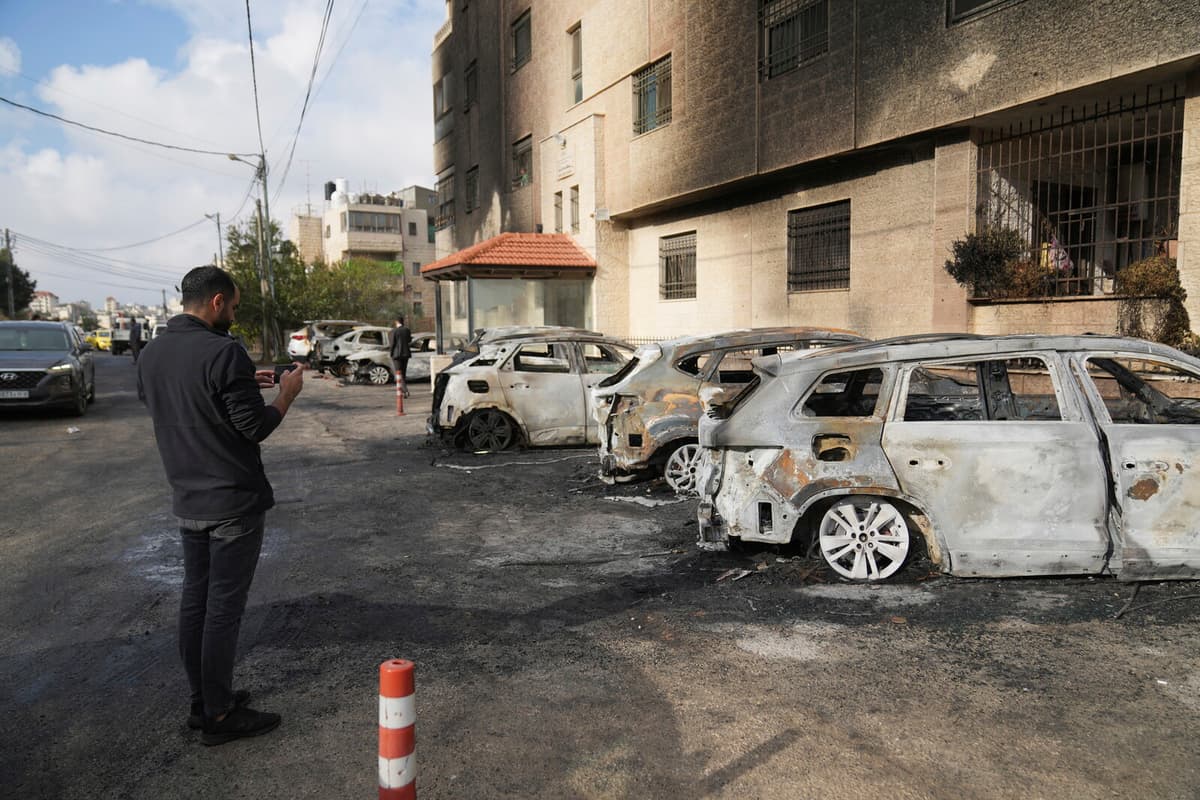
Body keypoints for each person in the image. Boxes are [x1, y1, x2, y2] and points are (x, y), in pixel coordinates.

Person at [137, 265, 304, 746]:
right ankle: (218, 715)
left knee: (196, 601)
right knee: (223, 611)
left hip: (187, 496)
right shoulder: (223, 351)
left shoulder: (152, 353)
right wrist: (284, 395)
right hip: (231, 499)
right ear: (215, 302)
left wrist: (247, 381)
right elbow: (255, 427)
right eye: (232, 305)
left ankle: (203, 701)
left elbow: (184, 401)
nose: (234, 313)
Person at [389, 315, 413, 397]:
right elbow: (409, 340)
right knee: (403, 373)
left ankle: (405, 390)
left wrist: (391, 353)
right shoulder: (407, 330)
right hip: (406, 354)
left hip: (396, 355)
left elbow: (392, 344)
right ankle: (403, 391)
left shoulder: (393, 331)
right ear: (403, 322)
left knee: (399, 373)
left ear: (396, 322)